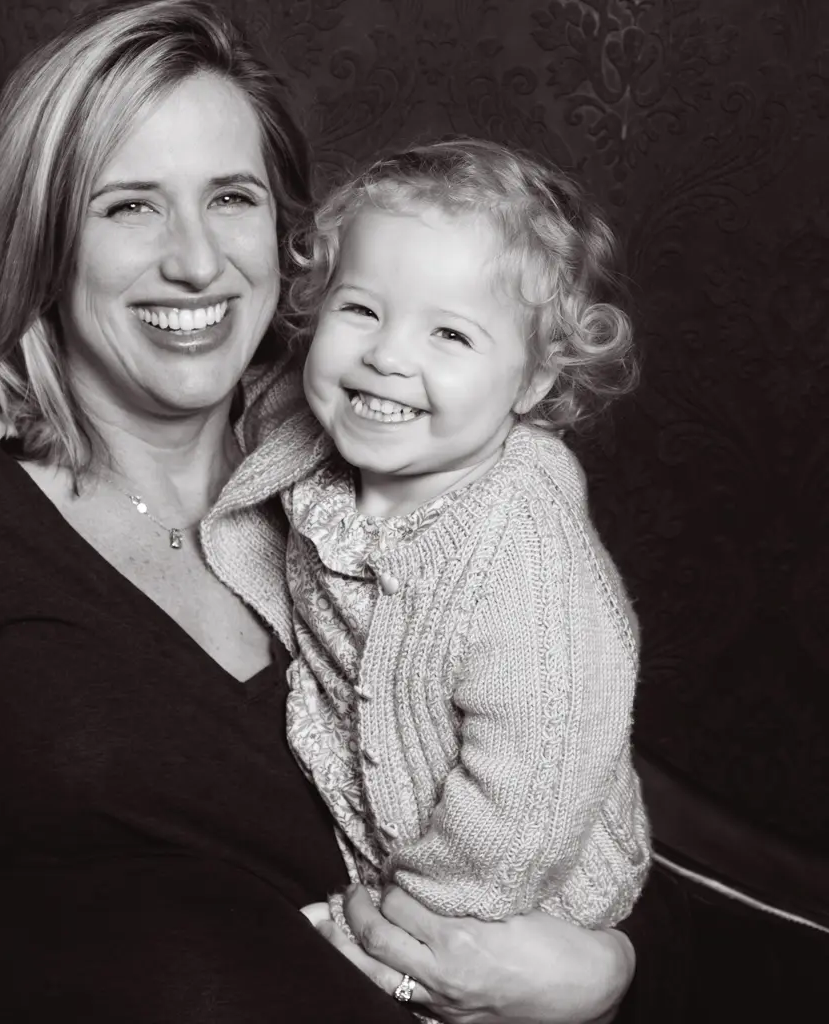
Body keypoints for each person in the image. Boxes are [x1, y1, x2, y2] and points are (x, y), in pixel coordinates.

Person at [0, 2, 641, 1022]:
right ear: (41, 242)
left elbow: (558, 781)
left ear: (290, 238)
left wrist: (599, 974)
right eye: (130, 206)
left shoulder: (418, 494)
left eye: (231, 198)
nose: (196, 262)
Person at [217, 140, 650, 976]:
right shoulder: (314, 424)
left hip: (514, 890)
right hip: (381, 819)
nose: (388, 355)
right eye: (361, 310)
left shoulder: (520, 556)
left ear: (529, 384)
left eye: (450, 333)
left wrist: (397, 928)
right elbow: (248, 400)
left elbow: (529, 797)